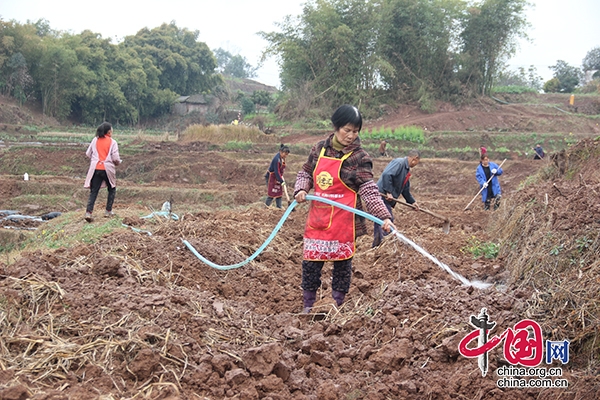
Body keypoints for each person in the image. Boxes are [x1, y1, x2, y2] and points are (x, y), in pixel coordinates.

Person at [294, 105, 394, 313]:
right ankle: (308, 305)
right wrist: (301, 189)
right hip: (319, 219)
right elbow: (305, 173)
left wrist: (383, 216)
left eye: (355, 131)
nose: (351, 135)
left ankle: (336, 305)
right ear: (336, 127)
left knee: (342, 266)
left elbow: (368, 190)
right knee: (311, 264)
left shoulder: (360, 157)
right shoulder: (319, 149)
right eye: (346, 130)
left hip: (345, 221)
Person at [372, 149, 420, 248]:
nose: (416, 164)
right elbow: (387, 174)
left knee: (382, 221)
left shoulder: (406, 170)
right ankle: (381, 246)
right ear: (415, 159)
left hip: (387, 199)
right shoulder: (399, 163)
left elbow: (405, 190)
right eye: (417, 162)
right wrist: (388, 191)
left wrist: (412, 202)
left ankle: (377, 246)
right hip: (382, 196)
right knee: (386, 221)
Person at [84, 122, 121, 222]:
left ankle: (88, 212)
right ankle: (108, 211)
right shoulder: (113, 142)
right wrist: (117, 163)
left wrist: (95, 159)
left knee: (94, 191)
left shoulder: (95, 140)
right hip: (107, 168)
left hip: (95, 168)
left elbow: (88, 153)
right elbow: (115, 157)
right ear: (109, 132)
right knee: (112, 188)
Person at [265, 144, 290, 208]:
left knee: (279, 193)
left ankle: (279, 207)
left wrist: (280, 179)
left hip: (278, 177)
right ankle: (266, 206)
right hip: (272, 177)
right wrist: (281, 181)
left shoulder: (282, 158)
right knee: (272, 193)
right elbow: (276, 171)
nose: (286, 156)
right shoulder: (277, 159)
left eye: (287, 154)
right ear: (281, 152)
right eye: (285, 154)